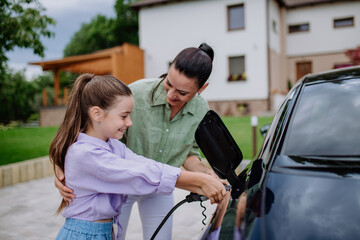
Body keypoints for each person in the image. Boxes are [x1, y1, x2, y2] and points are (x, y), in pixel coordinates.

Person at [55, 43, 224, 239]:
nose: (171, 94)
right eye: (169, 83)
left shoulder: (201, 110)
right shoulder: (133, 93)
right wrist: (62, 168)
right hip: (119, 182)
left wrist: (206, 177)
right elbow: (84, 135)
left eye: (182, 92)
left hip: (160, 183)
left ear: (201, 88)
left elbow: (183, 154)